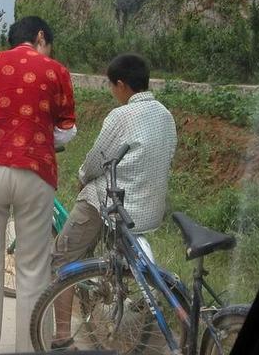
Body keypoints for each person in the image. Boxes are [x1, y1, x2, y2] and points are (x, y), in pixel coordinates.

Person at [0, 15, 77, 353]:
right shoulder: (56, 71)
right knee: (34, 269)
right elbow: (66, 131)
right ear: (41, 36)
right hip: (36, 171)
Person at [50, 53, 178, 350]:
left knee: (62, 258)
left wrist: (82, 177)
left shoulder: (121, 116)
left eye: (111, 85)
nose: (111, 91)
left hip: (111, 204)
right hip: (147, 210)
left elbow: (97, 160)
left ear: (121, 85)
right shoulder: (165, 115)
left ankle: (60, 336)